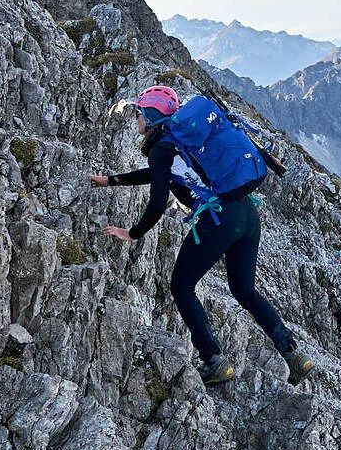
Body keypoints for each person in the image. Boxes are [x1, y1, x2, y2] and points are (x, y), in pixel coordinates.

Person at [90, 84, 313, 388]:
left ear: (151, 116)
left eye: (139, 113)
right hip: (246, 214)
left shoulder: (162, 149)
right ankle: (294, 355)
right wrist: (110, 181)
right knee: (245, 290)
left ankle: (213, 360)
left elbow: (157, 201)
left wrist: (133, 233)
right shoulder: (180, 143)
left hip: (216, 220)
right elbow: (158, 175)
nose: (136, 120)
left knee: (181, 286)